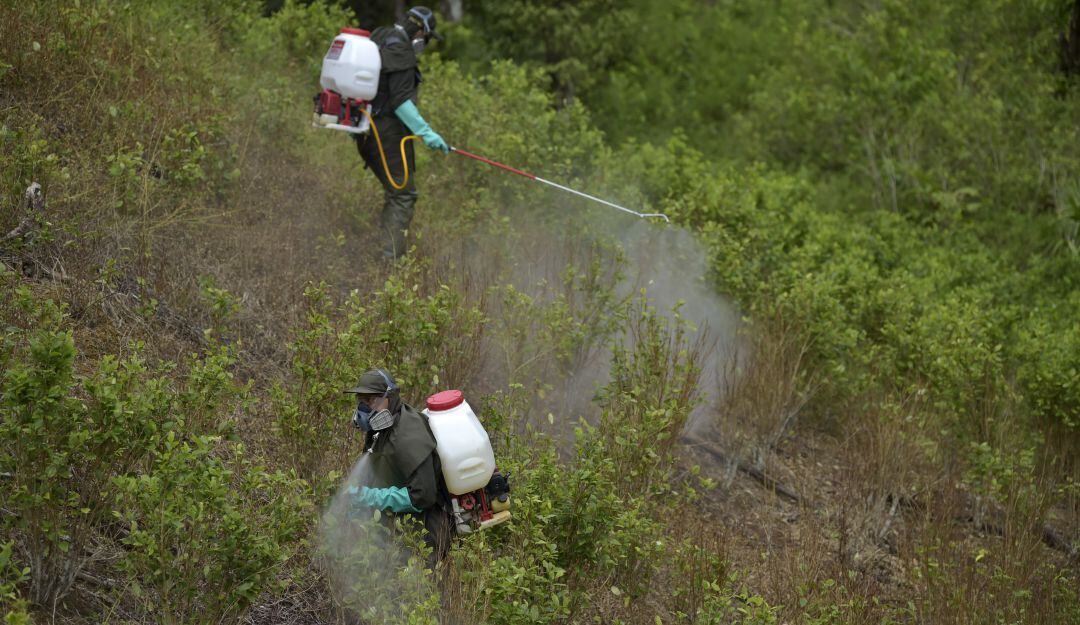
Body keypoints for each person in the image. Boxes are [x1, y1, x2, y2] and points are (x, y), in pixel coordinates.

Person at [356, 6, 448, 260]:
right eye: (426, 38)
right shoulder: (401, 52)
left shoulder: (381, 36)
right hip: (384, 133)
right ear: (420, 31)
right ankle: (391, 260)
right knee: (403, 193)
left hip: (366, 130)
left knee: (395, 191)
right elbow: (400, 103)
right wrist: (428, 134)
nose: (425, 44)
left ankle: (384, 250)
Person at [344, 368, 453, 563]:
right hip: (399, 528)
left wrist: (371, 497)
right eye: (361, 401)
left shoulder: (408, 436)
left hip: (426, 534)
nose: (363, 409)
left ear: (390, 398)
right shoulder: (383, 427)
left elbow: (422, 496)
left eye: (370, 401)